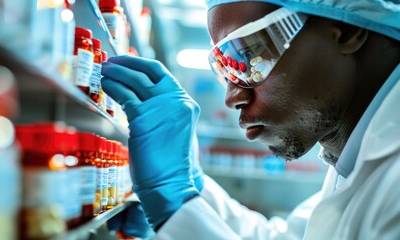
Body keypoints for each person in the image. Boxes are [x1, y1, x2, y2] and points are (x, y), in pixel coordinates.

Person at [101, 0, 400, 239]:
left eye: (250, 57)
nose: (232, 98)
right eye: (226, 69)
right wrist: (193, 188)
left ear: (345, 30)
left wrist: (176, 207)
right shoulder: (355, 164)